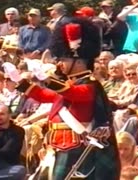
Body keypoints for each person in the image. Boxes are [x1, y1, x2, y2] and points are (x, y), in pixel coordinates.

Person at [15, 17, 120, 179]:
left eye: (63, 59)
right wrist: (20, 82)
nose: (59, 64)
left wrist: (48, 79)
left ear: (78, 61)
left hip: (77, 146)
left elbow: (73, 93)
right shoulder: (70, 84)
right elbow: (45, 96)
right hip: (58, 145)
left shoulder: (91, 85)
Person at [0, 104, 26, 179]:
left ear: (9, 115)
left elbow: (8, 151)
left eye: (2, 114)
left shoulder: (17, 131)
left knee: (20, 171)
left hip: (9, 164)